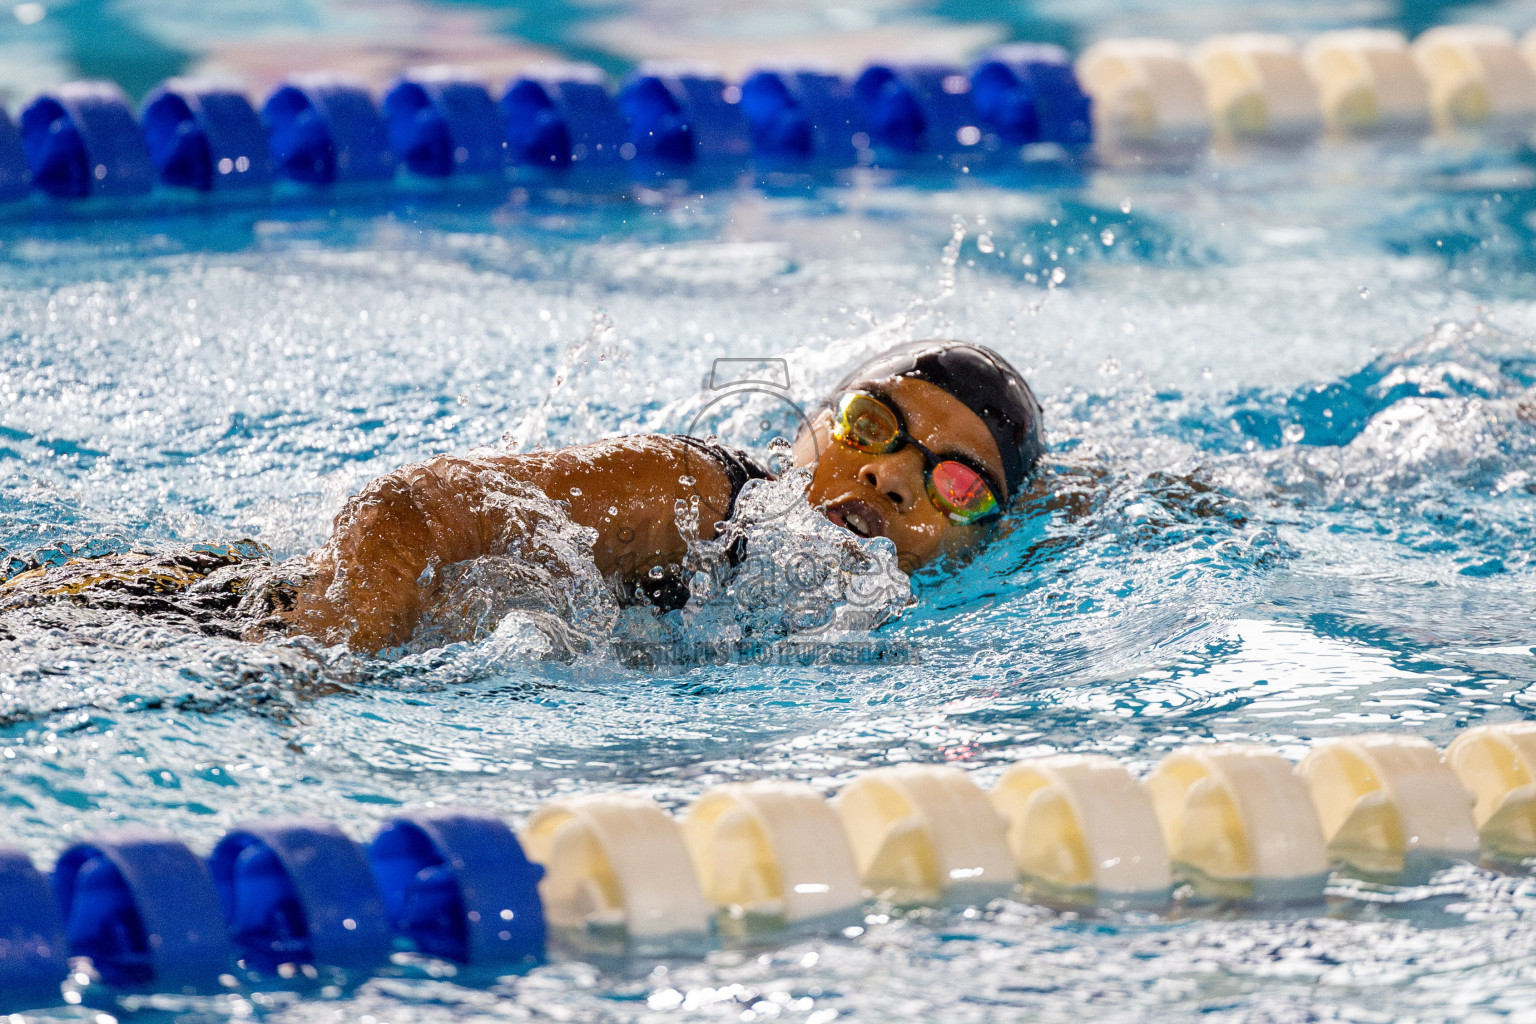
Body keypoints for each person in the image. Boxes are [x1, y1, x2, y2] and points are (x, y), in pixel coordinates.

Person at [0, 340, 1045, 654]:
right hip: (211, 624)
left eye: (953, 483)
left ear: (981, 538)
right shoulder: (695, 494)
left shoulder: (864, 615)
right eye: (869, 425)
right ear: (806, 430)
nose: (888, 473)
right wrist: (322, 657)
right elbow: (407, 509)